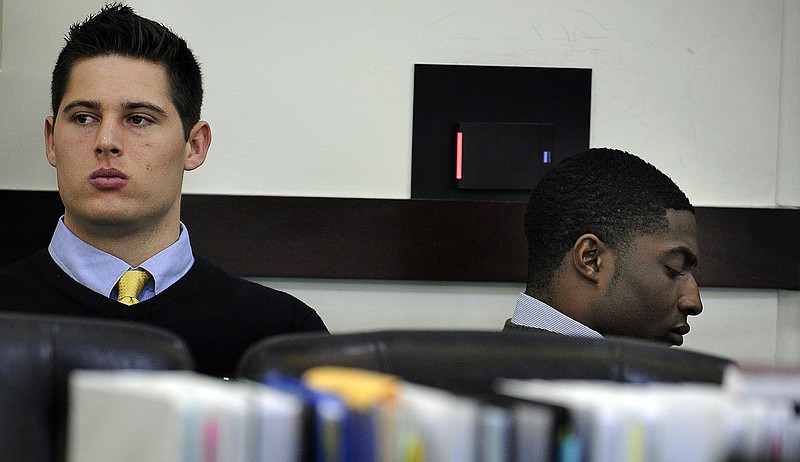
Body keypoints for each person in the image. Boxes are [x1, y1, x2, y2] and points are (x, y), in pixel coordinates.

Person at [0, 3, 327, 377]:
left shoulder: (282, 334)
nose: (106, 141)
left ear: (195, 145)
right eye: (84, 118)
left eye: (138, 119)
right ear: (51, 141)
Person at [503, 148, 703, 347]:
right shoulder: (565, 376)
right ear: (591, 259)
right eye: (674, 269)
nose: (694, 303)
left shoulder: (501, 364)